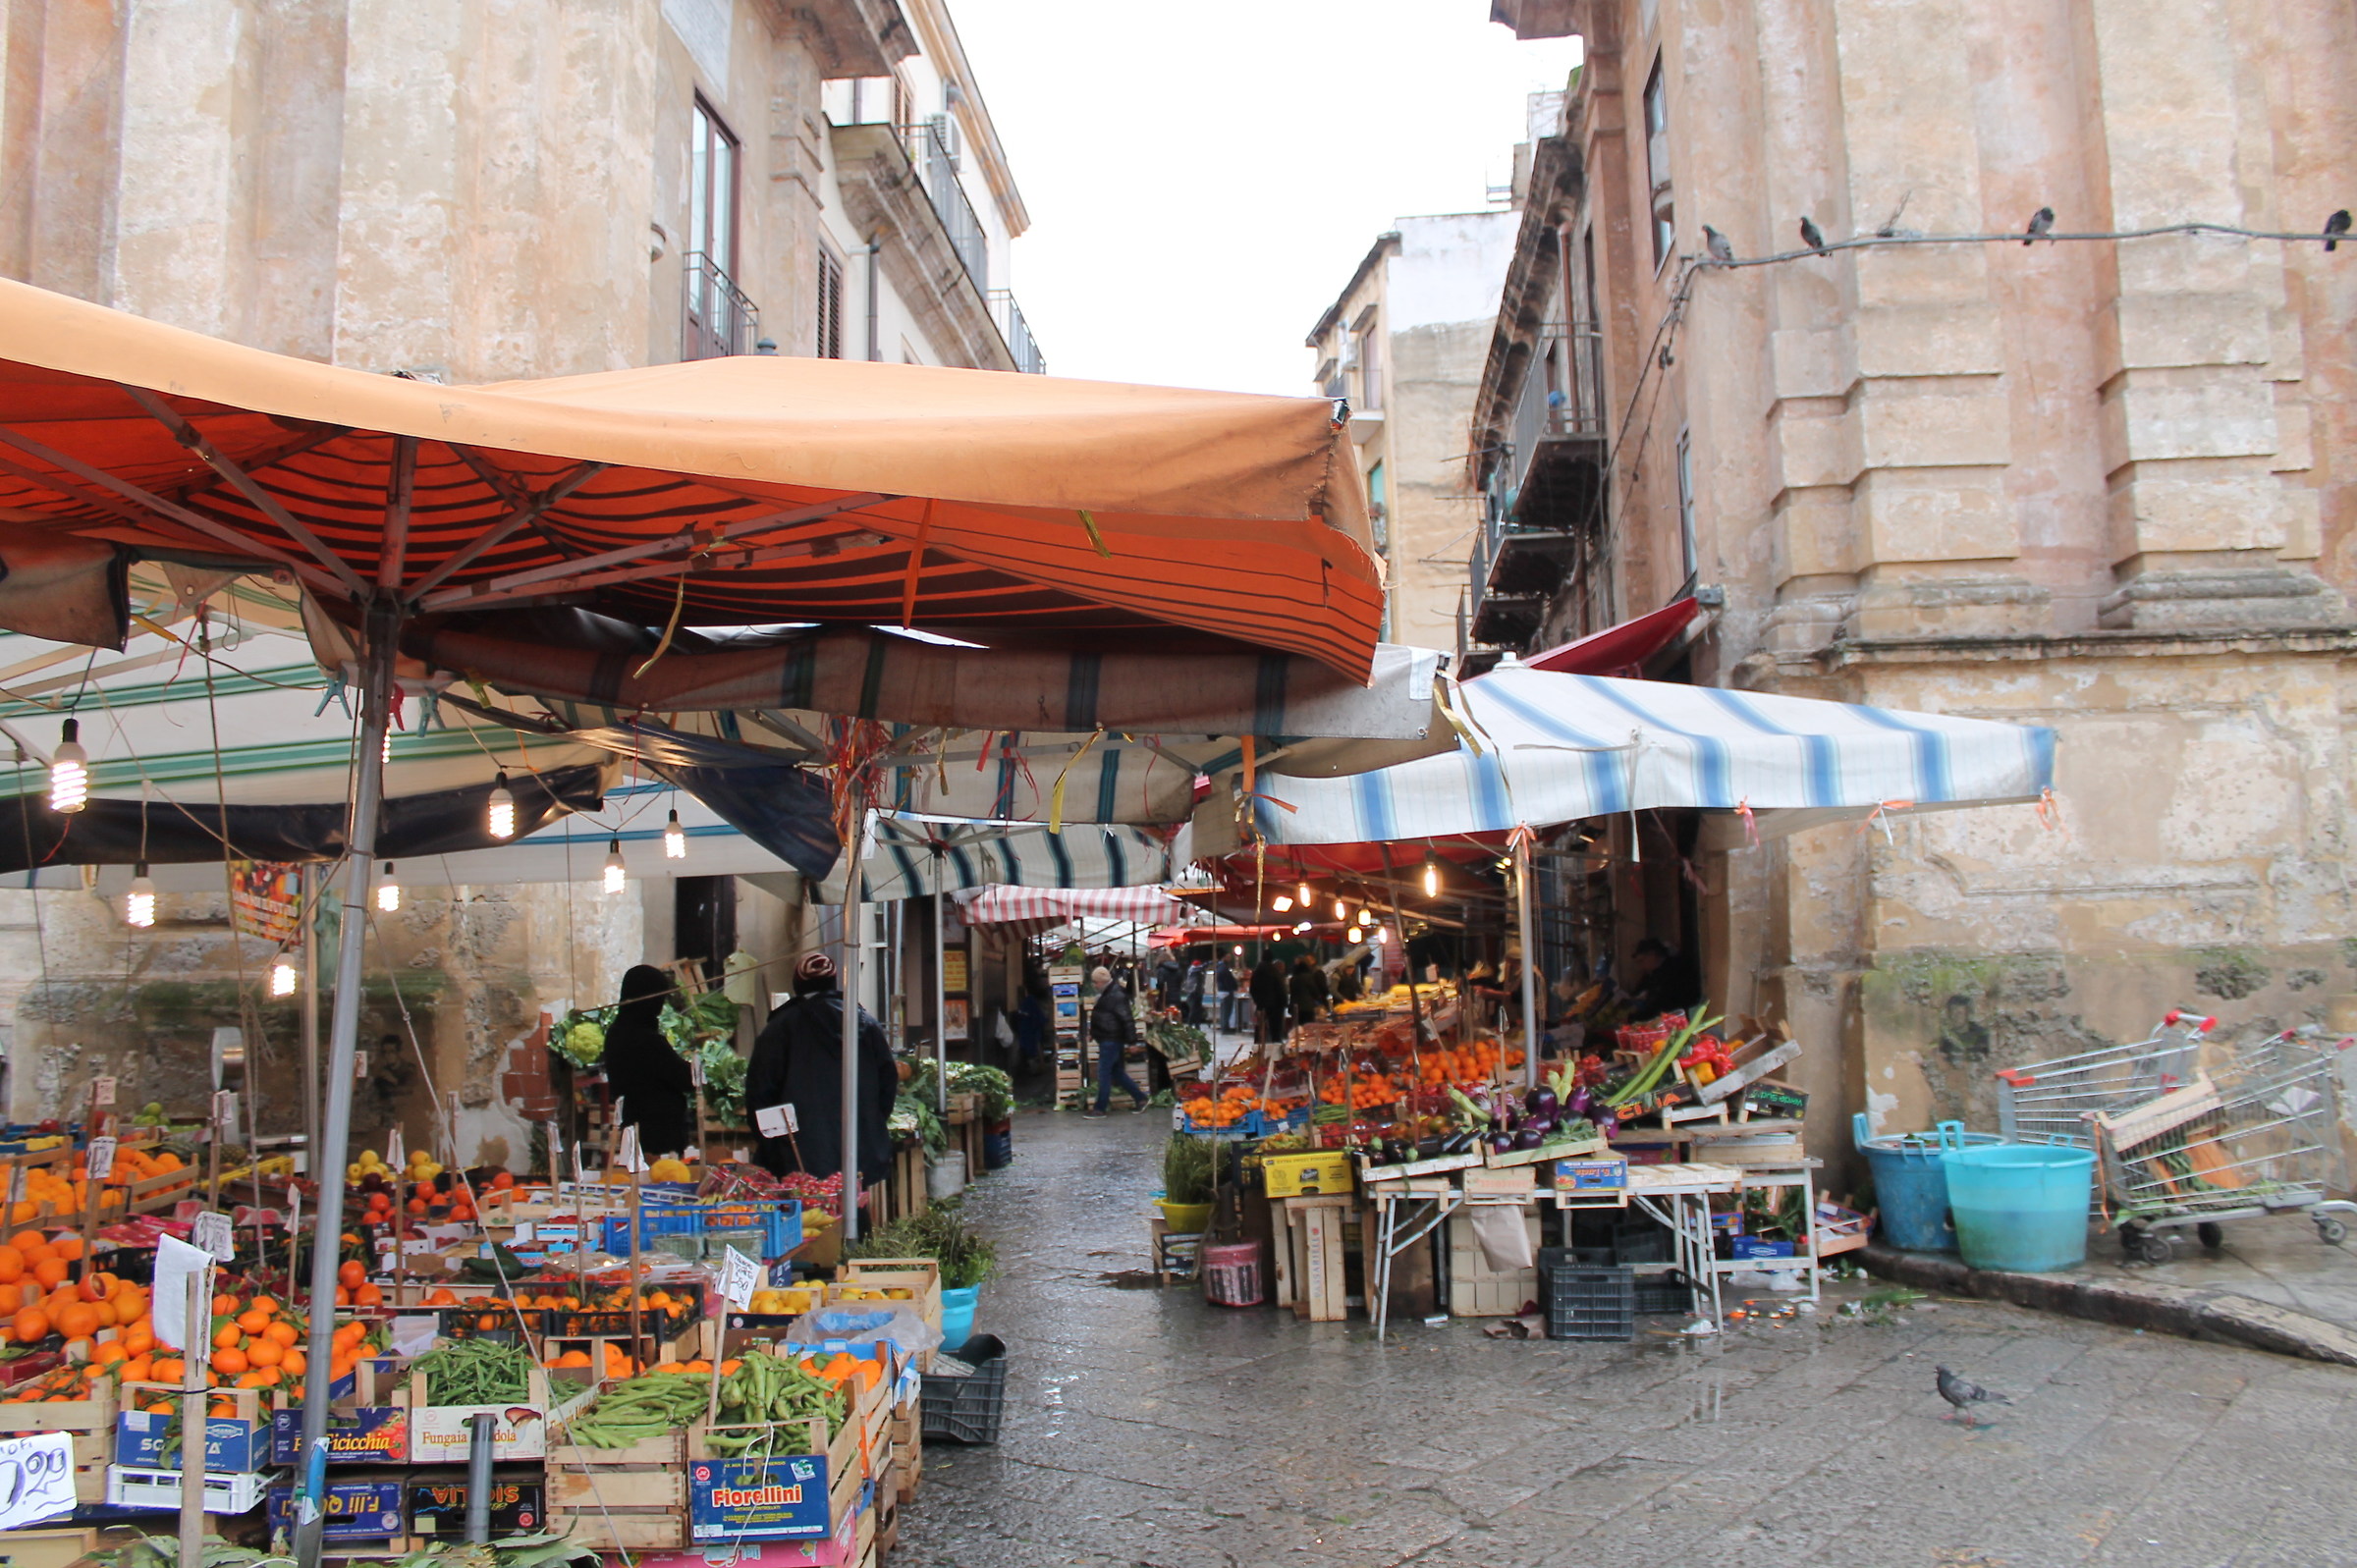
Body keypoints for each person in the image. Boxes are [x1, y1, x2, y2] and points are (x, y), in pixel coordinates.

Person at [745, 951, 900, 1185]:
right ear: (833, 983)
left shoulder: (778, 1029)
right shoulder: (867, 1025)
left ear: (797, 984)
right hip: (859, 1148)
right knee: (855, 1202)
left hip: (797, 1155)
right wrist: (870, 1121)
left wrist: (773, 1144)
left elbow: (760, 1093)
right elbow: (887, 1085)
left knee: (806, 1206)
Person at [601, 964, 694, 1158]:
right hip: (657, 1135)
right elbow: (686, 1078)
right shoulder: (645, 1039)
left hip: (633, 1127)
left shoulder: (616, 1033)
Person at [1085, 965, 1149, 1116]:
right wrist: (1093, 1033)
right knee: (1117, 1072)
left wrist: (1132, 1042)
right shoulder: (1109, 993)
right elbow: (1104, 1016)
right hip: (1109, 1038)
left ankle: (1100, 1108)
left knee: (1104, 1073)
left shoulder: (1116, 995)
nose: (1094, 985)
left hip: (1111, 1039)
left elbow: (1127, 1019)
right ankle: (1141, 1099)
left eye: (1096, 982)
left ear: (1102, 982)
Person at [1624, 937, 1703, 1019]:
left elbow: (1661, 1003)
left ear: (1652, 955)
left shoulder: (1674, 969)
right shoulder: (1651, 974)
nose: (1641, 967)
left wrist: (1635, 1017)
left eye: (1642, 961)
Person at [1249, 953, 1289, 1043]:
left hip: (1261, 1005)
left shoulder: (1257, 971)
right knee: (1275, 1029)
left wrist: (1257, 1001)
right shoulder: (1274, 972)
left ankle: (1259, 1045)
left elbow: (1252, 989)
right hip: (1276, 1005)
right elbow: (1281, 989)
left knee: (1260, 1027)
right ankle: (1275, 1045)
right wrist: (1285, 1002)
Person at [1288, 952, 1330, 1028]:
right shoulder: (1309, 977)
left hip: (1295, 1007)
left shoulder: (1293, 978)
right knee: (1308, 1027)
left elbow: (1291, 991)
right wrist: (1319, 999)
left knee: (1298, 1027)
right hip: (1307, 1007)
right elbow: (1314, 991)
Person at [1216, 956, 1242, 1032]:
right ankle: (1225, 1028)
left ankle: (1224, 1026)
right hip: (1227, 992)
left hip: (1222, 991)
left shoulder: (1219, 968)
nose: (1229, 959)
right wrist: (1233, 987)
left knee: (1224, 1011)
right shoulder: (1224, 969)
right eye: (1228, 957)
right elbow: (1228, 981)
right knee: (1227, 1011)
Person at [1180, 958, 1207, 1025]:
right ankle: (1190, 1024)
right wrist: (1208, 963)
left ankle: (1196, 1025)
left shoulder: (1198, 971)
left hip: (1198, 992)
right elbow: (1199, 969)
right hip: (1193, 992)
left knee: (1197, 1010)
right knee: (1193, 1009)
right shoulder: (1193, 970)